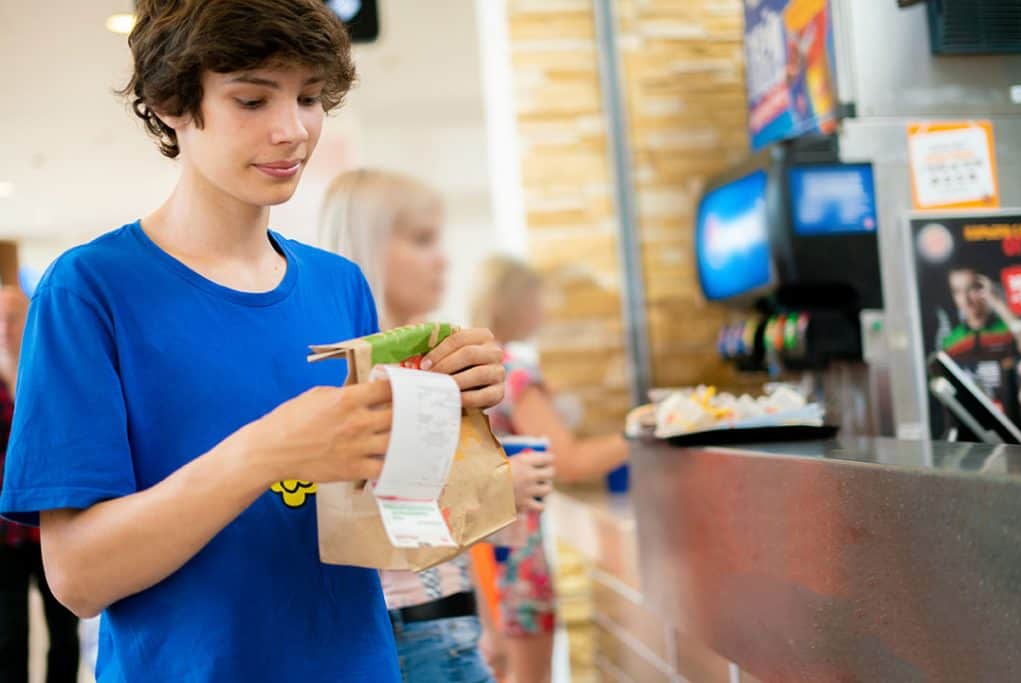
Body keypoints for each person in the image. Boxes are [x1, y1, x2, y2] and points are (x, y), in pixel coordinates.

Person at [0, 3, 507, 681]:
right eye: (251, 99)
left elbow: (388, 517)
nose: (293, 129)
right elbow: (78, 578)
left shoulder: (339, 285)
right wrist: (267, 451)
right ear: (171, 101)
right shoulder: (89, 290)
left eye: (310, 98)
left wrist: (448, 409)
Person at [320, 169, 555, 683]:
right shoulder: (360, 377)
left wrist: (486, 625)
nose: (443, 258)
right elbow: (371, 519)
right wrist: (497, 490)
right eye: (422, 240)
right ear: (371, 249)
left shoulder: (424, 363)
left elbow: (446, 547)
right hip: (406, 631)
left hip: (450, 621)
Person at [471, 255, 631, 683]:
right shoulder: (514, 372)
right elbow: (569, 462)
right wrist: (642, 431)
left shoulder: (475, 366)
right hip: (517, 553)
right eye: (537, 298)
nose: (543, 309)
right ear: (515, 302)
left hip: (480, 548)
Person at [0, 286, 80, 683]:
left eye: (12, 317)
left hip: (52, 526)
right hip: (4, 535)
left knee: (64, 630)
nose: (4, 328)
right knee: (8, 635)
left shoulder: (51, 374)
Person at [942, 268, 1021, 425]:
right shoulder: (952, 341)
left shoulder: (1006, 329)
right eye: (957, 292)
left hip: (1010, 425)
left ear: (982, 289)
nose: (966, 300)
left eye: (971, 289)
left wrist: (996, 301)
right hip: (972, 425)